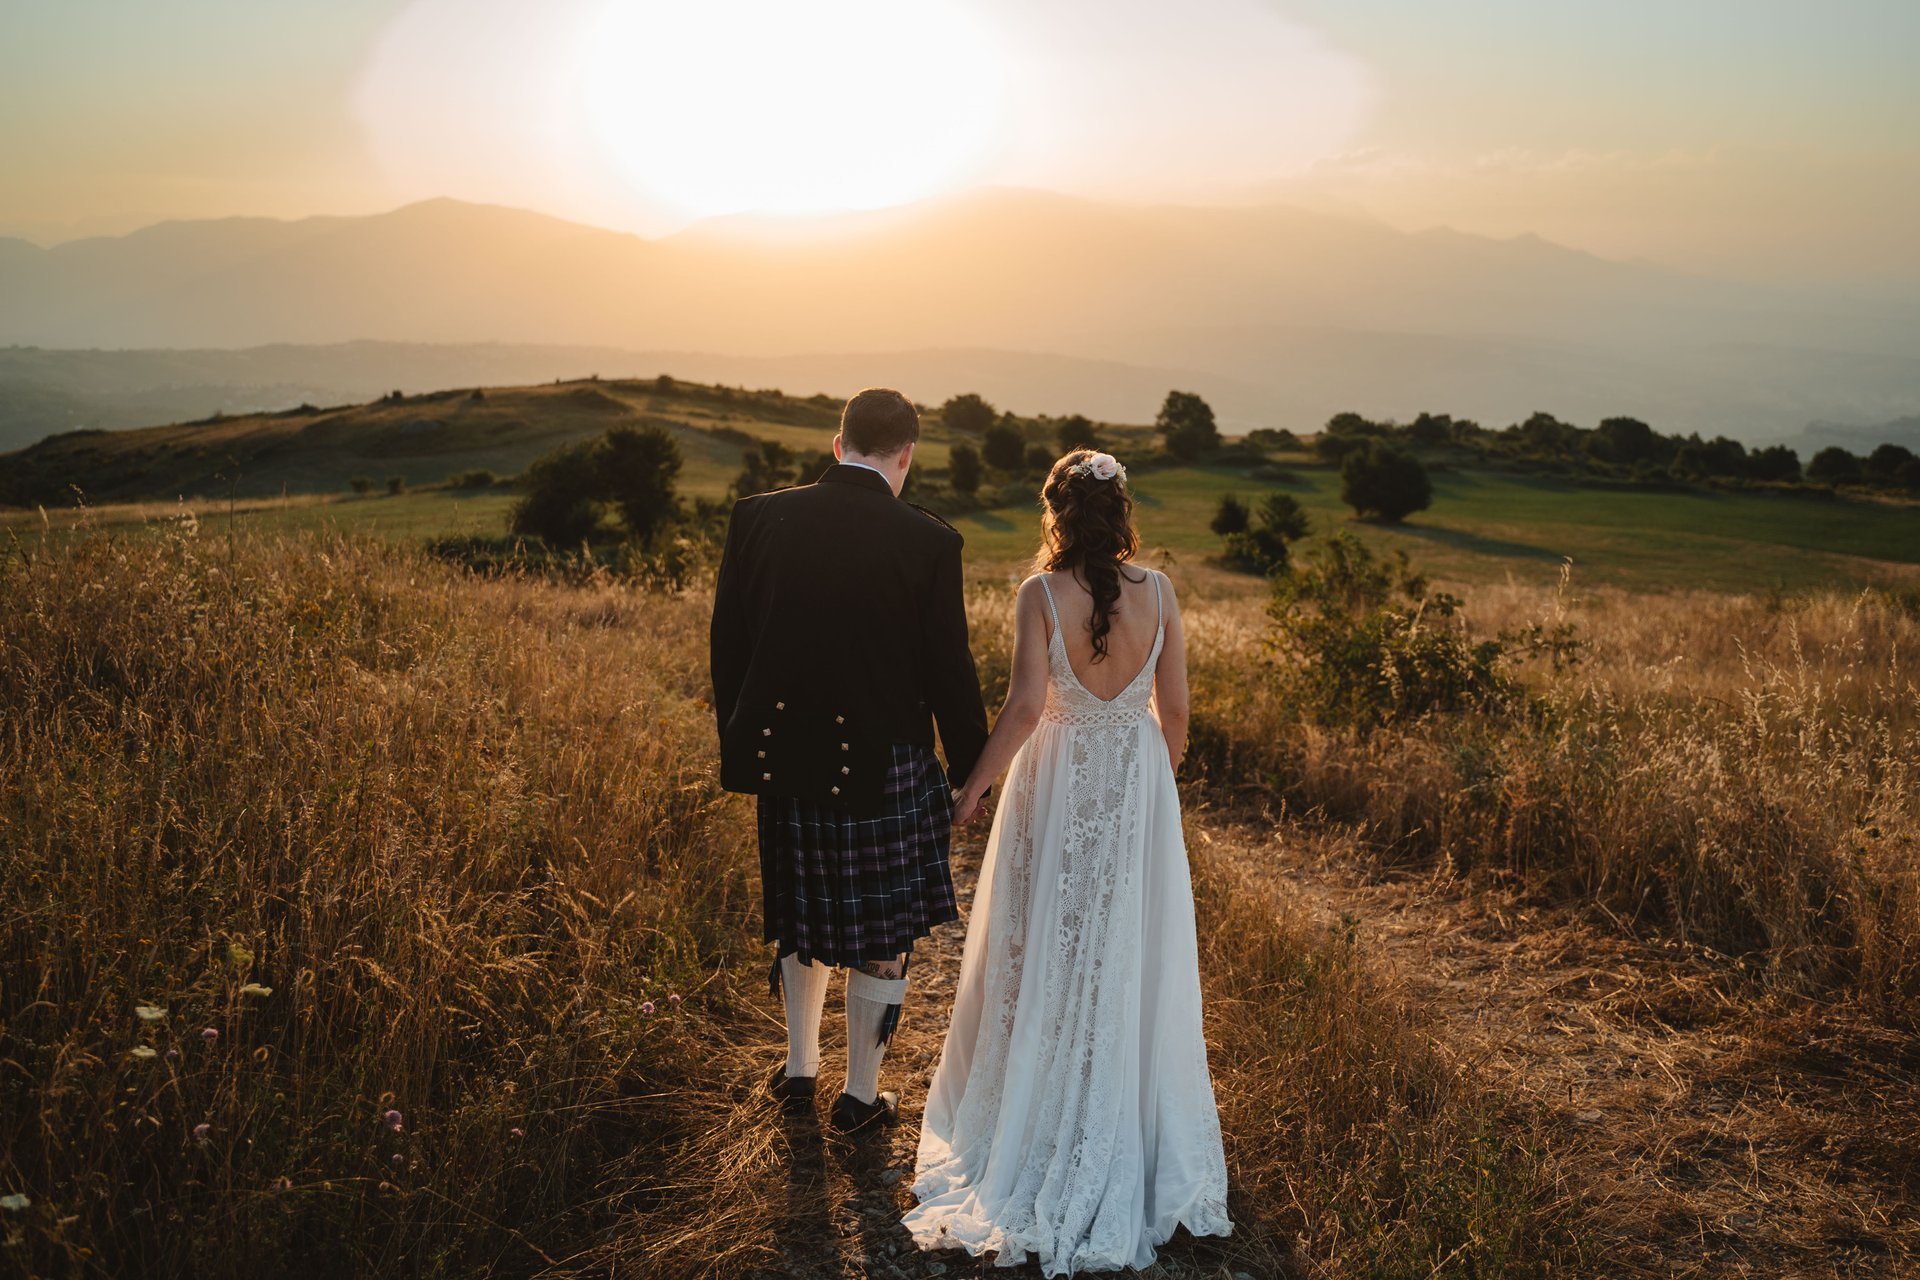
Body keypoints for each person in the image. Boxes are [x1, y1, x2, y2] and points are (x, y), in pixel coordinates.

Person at [905, 449, 1231, 1274]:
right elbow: (1177, 712)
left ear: (1056, 513)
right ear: (1121, 511)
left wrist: (974, 785)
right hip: (1137, 784)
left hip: (1053, 785)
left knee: (1043, 944)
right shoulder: (1159, 592)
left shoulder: (1040, 593)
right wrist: (1153, 788)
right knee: (1124, 948)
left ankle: (1039, 1117)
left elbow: (1021, 707)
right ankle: (1123, 1120)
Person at [709, 387, 990, 1132]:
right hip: (885, 764)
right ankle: (860, 1099)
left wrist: (741, 743)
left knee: (803, 915)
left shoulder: (758, 516)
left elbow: (728, 645)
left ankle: (798, 1072)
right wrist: (970, 770)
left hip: (783, 757)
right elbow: (948, 670)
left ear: (837, 446)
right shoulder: (929, 541)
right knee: (881, 932)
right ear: (906, 456)